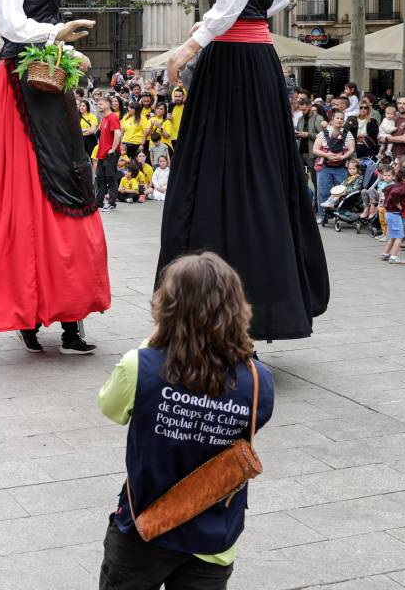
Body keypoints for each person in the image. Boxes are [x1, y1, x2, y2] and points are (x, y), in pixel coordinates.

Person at [159, 0, 328, 342]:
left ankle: (205, 315)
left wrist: (189, 46)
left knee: (210, 180)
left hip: (230, 59)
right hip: (260, 58)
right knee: (262, 182)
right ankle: (261, 310)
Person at [0, 0, 108, 354]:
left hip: (46, 76)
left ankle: (68, 315)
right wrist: (59, 33)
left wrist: (64, 47)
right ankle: (30, 311)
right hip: (24, 82)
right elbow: (10, 23)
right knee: (31, 188)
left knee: (67, 178)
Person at [97, 252, 273, 590]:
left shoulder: (140, 365)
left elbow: (110, 407)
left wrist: (155, 340)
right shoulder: (258, 379)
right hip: (214, 534)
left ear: (167, 307)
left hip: (143, 526)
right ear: (238, 308)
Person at [94, 94, 123, 211]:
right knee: (100, 178)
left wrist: (113, 149)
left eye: (100, 104)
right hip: (102, 153)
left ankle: (111, 204)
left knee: (111, 178)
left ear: (107, 104)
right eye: (98, 104)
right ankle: (98, 202)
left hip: (110, 153)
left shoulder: (112, 117)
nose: (98, 106)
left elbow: (118, 133)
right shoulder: (104, 118)